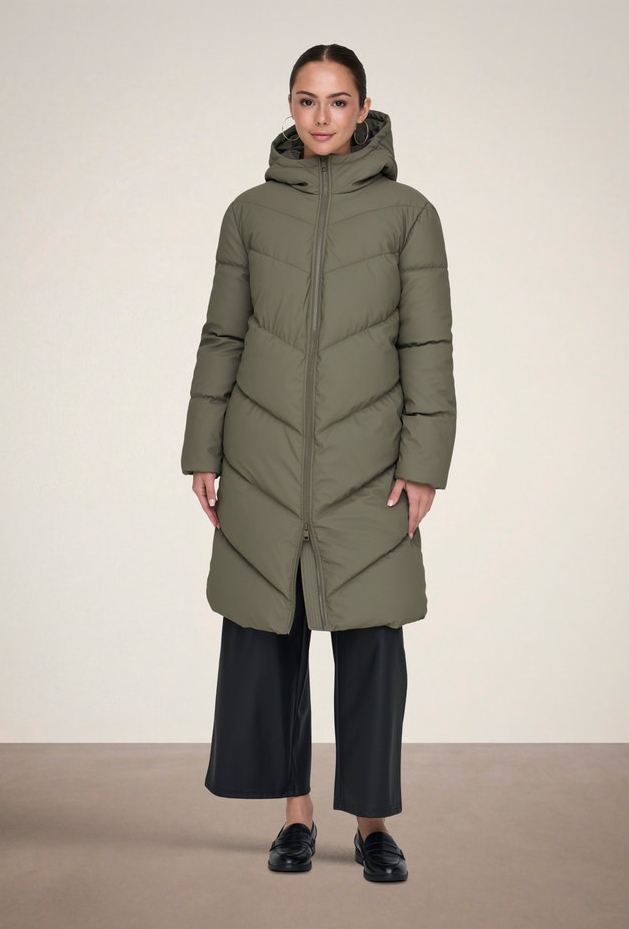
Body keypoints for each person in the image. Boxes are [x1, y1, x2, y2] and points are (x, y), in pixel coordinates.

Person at [181, 43, 456, 883]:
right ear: (290, 106)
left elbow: (427, 345)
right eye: (307, 100)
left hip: (368, 467)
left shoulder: (409, 214)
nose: (323, 117)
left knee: (372, 646)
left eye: (339, 102)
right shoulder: (250, 213)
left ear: (365, 108)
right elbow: (223, 334)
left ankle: (373, 825)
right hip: (264, 459)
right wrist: (202, 447)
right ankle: (294, 817)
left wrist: (424, 462)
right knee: (272, 635)